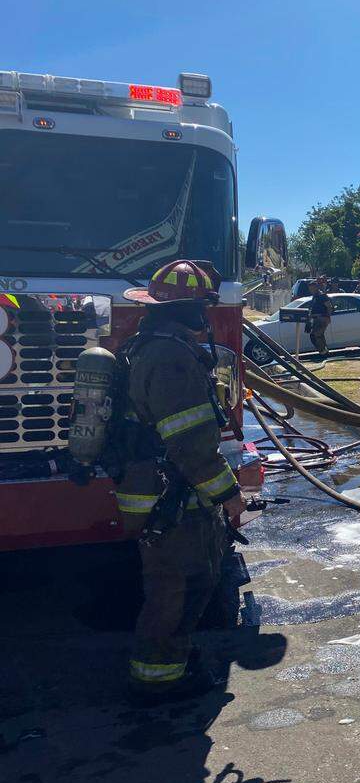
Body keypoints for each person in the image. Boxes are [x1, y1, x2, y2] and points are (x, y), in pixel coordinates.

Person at [118, 260, 246, 705]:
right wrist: (230, 496)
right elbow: (189, 444)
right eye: (202, 306)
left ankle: (170, 662)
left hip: (166, 488)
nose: (207, 315)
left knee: (187, 581)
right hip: (169, 493)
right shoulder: (170, 357)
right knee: (174, 587)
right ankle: (158, 680)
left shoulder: (150, 345)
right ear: (185, 309)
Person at [306, 277, 333, 358]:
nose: (311, 290)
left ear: (316, 287)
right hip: (315, 319)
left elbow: (329, 307)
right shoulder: (314, 296)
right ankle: (324, 352)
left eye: (313, 288)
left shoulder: (322, 295)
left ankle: (323, 352)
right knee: (317, 336)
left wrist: (327, 317)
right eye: (310, 288)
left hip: (322, 318)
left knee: (316, 335)